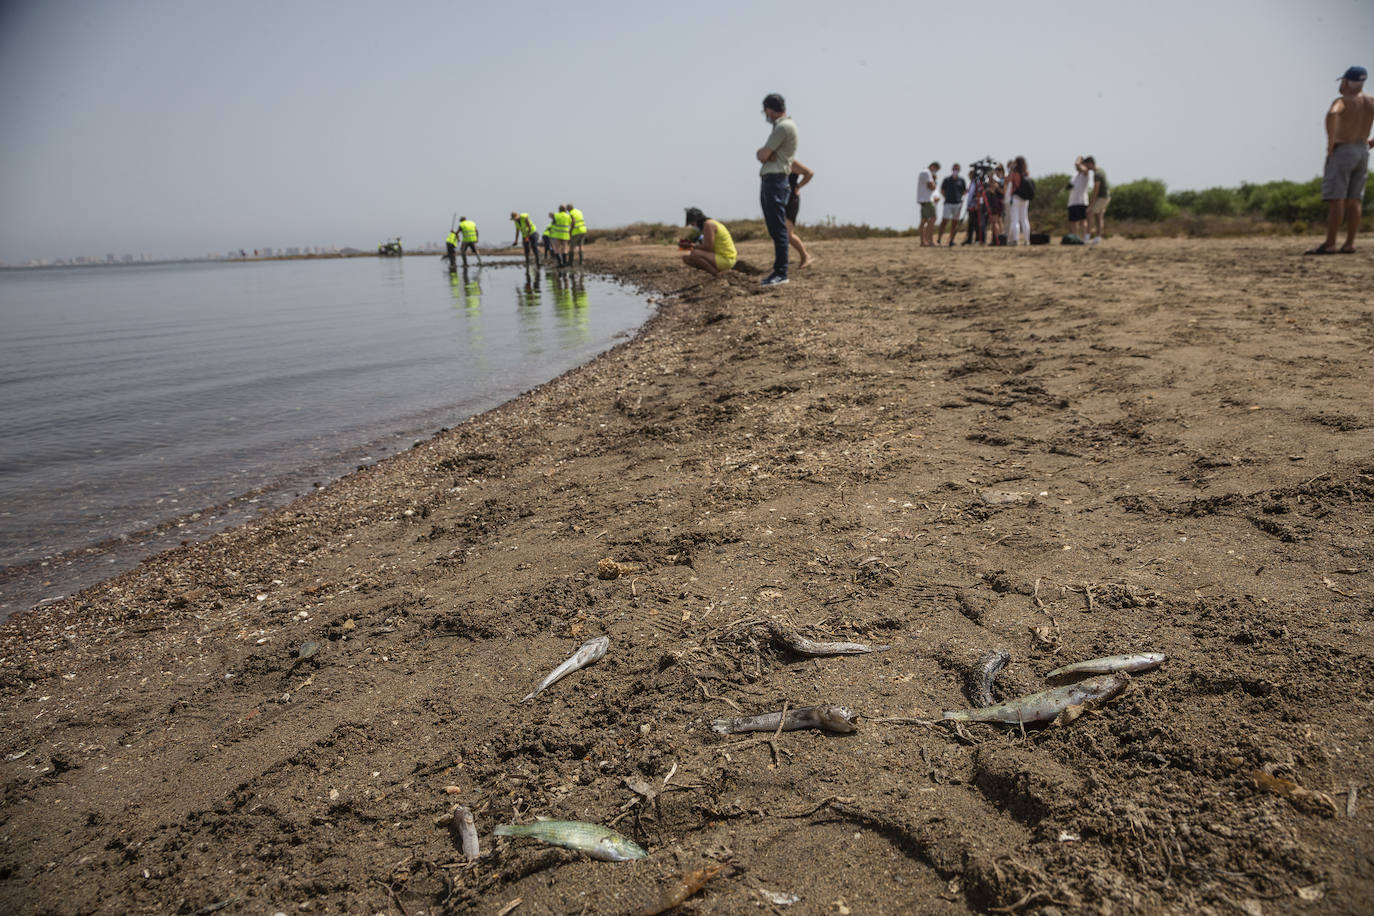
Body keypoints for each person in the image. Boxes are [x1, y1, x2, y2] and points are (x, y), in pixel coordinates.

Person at [1308, 66, 1373, 255]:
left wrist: (1331, 141)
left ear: (1347, 82)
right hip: (1362, 150)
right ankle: (1350, 243)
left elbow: (1334, 113)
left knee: (1337, 198)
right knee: (1355, 199)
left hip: (1344, 149)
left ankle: (1330, 243)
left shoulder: (1343, 101)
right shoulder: (1370, 102)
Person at [756, 93, 798, 286]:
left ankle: (781, 272)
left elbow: (764, 154)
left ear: (769, 109)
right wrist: (765, 154)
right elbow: (765, 155)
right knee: (775, 227)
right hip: (774, 179)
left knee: (778, 228)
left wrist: (766, 154)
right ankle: (779, 270)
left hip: (776, 180)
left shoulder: (782, 127)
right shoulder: (782, 126)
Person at [681, 206, 737, 276]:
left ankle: (717, 274)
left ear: (697, 220)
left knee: (695, 254)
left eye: (692, 224)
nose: (693, 227)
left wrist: (691, 246)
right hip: (720, 257)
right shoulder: (708, 225)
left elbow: (708, 247)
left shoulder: (708, 225)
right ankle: (712, 272)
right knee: (686, 258)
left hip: (726, 259)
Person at [786, 160, 815, 268]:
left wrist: (798, 186)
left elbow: (809, 173)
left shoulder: (791, 162)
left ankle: (805, 256)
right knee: (780, 233)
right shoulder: (776, 160)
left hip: (791, 199)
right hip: (779, 198)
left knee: (787, 234)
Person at [938, 164, 967, 247]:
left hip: (958, 204)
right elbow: (942, 190)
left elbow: (964, 191)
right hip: (948, 203)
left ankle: (951, 240)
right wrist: (946, 197)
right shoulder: (947, 180)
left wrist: (960, 198)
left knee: (954, 223)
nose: (955, 170)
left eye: (957, 169)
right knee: (944, 221)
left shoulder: (961, 180)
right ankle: (939, 239)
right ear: (952, 169)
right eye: (954, 169)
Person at [1007, 156, 1032, 246]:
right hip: (1025, 199)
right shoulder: (1026, 172)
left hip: (1016, 198)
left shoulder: (1015, 172)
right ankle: (1027, 240)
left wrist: (1012, 168)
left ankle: (1015, 240)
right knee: (1025, 219)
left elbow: (1009, 180)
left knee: (1015, 220)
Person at [1068, 156, 1093, 241]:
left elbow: (1077, 164)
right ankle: (1075, 238)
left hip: (1081, 201)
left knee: (1083, 221)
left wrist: (1079, 158)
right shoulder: (1074, 176)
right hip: (1072, 202)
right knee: (1073, 221)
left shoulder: (1085, 173)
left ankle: (1085, 238)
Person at [1084, 156, 1109, 243]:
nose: (1086, 167)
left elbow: (1096, 189)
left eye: (1086, 165)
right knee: (1098, 217)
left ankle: (1087, 237)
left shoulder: (1097, 174)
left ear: (1090, 163)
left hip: (1101, 197)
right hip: (1105, 197)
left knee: (1090, 214)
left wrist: (1091, 205)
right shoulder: (1101, 170)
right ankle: (1098, 237)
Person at [917, 161, 939, 246]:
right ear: (933, 166)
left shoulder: (924, 172)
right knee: (933, 218)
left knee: (924, 221)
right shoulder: (927, 172)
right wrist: (933, 185)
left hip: (923, 200)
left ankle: (923, 241)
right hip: (927, 200)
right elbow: (931, 186)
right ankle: (930, 240)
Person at [986, 165, 1005, 245]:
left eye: (999, 170)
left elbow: (999, 190)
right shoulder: (999, 180)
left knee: (995, 221)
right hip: (998, 202)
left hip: (996, 202)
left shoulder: (1000, 180)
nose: (997, 171)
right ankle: (1000, 238)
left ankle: (997, 239)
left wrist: (994, 185)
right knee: (999, 220)